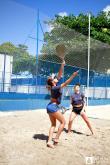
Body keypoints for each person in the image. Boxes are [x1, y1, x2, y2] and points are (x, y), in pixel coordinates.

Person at [46, 60, 79, 148]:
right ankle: (56, 139)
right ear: (53, 81)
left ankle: (49, 141)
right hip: (53, 107)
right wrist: (73, 75)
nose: (56, 78)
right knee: (63, 122)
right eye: (54, 78)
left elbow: (59, 74)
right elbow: (66, 83)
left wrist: (62, 65)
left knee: (53, 125)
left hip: (50, 106)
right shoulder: (55, 87)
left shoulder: (54, 85)